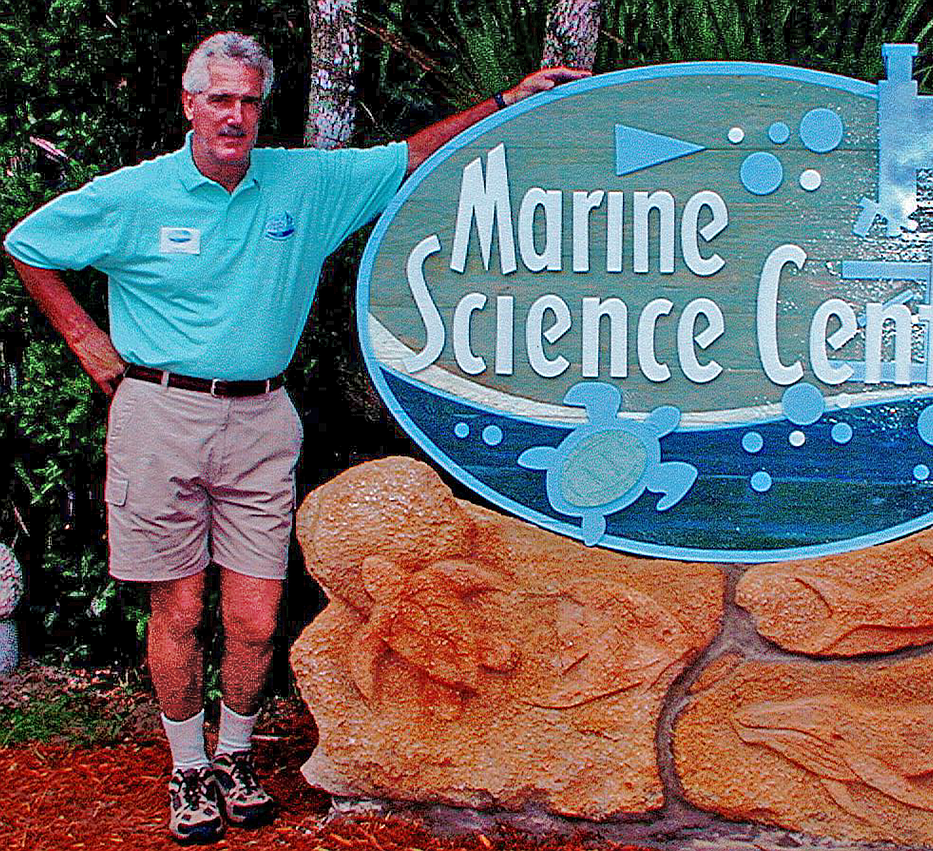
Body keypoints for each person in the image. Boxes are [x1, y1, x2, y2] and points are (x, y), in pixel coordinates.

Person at [4, 31, 587, 844]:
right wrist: (84, 339)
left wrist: (504, 101)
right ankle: (187, 767)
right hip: (160, 416)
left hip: (261, 419)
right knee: (179, 608)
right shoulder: (134, 194)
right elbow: (28, 243)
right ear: (189, 103)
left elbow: (409, 156)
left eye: (248, 101)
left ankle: (234, 756)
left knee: (255, 616)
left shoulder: (302, 183)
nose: (234, 116)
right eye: (219, 99)